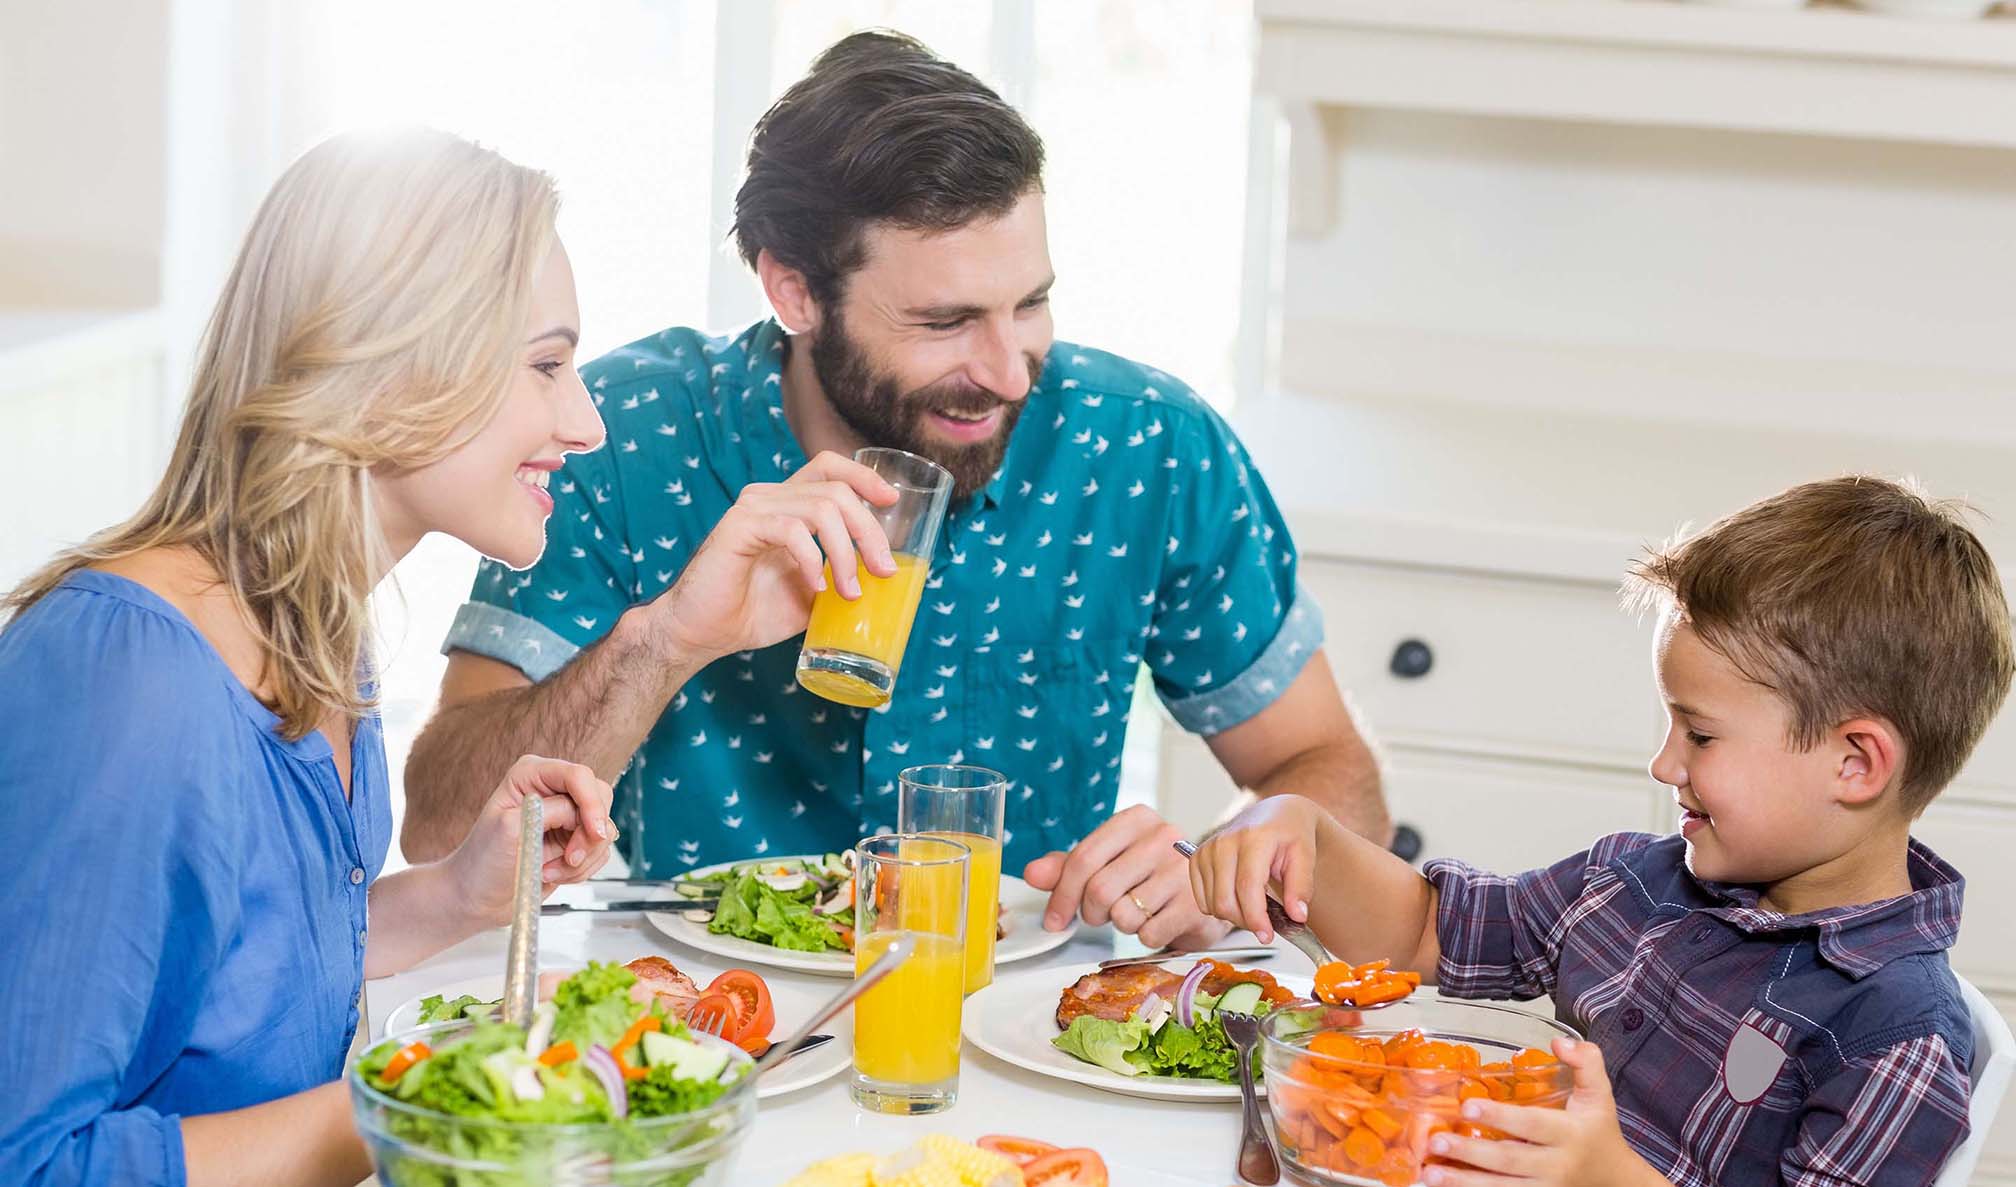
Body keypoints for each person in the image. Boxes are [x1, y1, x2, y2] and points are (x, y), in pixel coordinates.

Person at [401, 31, 1387, 950]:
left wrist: (1219, 865)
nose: (1009, 371)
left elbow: (1330, 774)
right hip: (712, 1027)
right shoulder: (624, 435)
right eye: (946, 321)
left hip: (1029, 1021)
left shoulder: (1146, 446)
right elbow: (441, 829)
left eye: (1031, 303)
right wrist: (662, 644)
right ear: (793, 291)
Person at [0, 129, 621, 1187]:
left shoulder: (316, 627)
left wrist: (456, 894)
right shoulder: (126, 678)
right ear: (391, 367)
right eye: (547, 366)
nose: (586, 421)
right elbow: (28, 1160)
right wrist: (419, 1097)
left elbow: (232, 983)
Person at [1192, 476, 2011, 1186]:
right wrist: (1304, 827)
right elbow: (1423, 931)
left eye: (1700, 734)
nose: (1664, 763)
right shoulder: (1637, 883)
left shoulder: (1896, 1037)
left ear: (1856, 764)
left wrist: (1606, 1176)